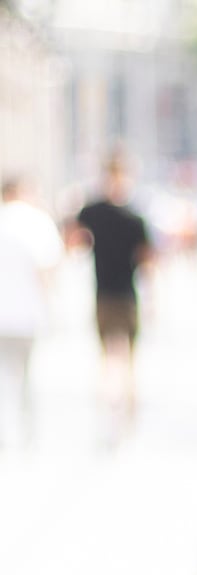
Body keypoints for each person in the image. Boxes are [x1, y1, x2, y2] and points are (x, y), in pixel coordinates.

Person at [73, 155, 153, 426]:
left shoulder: (94, 212)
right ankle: (124, 413)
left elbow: (74, 240)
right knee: (123, 358)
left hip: (112, 294)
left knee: (114, 358)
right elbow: (148, 260)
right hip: (118, 295)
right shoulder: (133, 217)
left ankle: (116, 411)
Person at [0, 176, 63, 451]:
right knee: (27, 374)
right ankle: (28, 433)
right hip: (28, 312)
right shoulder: (36, 222)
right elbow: (47, 270)